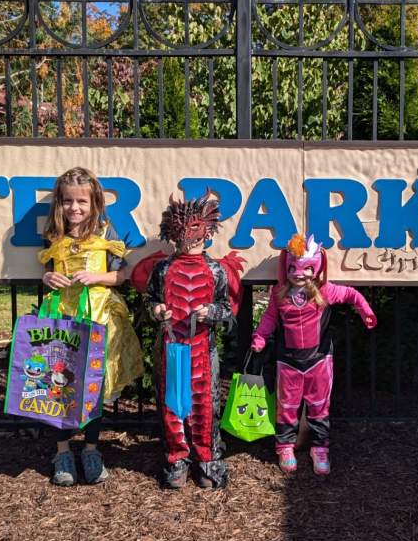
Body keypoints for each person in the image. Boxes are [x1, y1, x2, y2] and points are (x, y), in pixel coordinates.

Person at [39, 167, 143, 486]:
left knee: (93, 386)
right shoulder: (54, 235)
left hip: (97, 315)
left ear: (94, 202)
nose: (75, 208)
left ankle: (92, 449)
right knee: (59, 385)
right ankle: (62, 452)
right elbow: (46, 271)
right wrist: (47, 277)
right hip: (63, 316)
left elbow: (120, 276)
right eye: (69, 201)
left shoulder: (105, 233)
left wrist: (96, 277)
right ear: (60, 203)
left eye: (82, 201)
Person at [251, 233, 377, 476]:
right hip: (288, 362)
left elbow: (351, 295)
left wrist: (366, 311)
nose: (300, 274)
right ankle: (285, 447)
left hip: (318, 361)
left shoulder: (324, 290)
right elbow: (269, 319)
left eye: (308, 268)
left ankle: (320, 448)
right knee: (286, 406)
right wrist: (259, 337)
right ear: (285, 267)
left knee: (320, 406)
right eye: (293, 268)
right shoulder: (279, 293)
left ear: (317, 267)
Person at [141, 194, 234, 490]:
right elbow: (150, 301)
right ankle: (176, 458)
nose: (187, 238)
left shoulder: (217, 270)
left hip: (203, 349)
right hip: (172, 348)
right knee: (172, 405)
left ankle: (208, 458)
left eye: (194, 230)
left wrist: (212, 312)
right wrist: (156, 310)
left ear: (207, 231)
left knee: (205, 404)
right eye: (181, 231)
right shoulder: (163, 269)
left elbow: (227, 309)